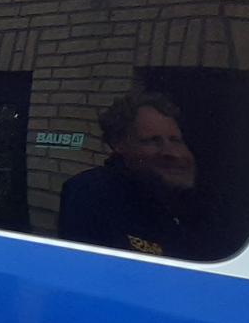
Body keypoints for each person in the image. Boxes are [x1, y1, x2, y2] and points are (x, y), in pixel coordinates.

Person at [57, 92, 208, 258]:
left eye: (175, 140)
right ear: (119, 145)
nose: (172, 153)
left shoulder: (202, 202)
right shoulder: (90, 194)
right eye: (152, 141)